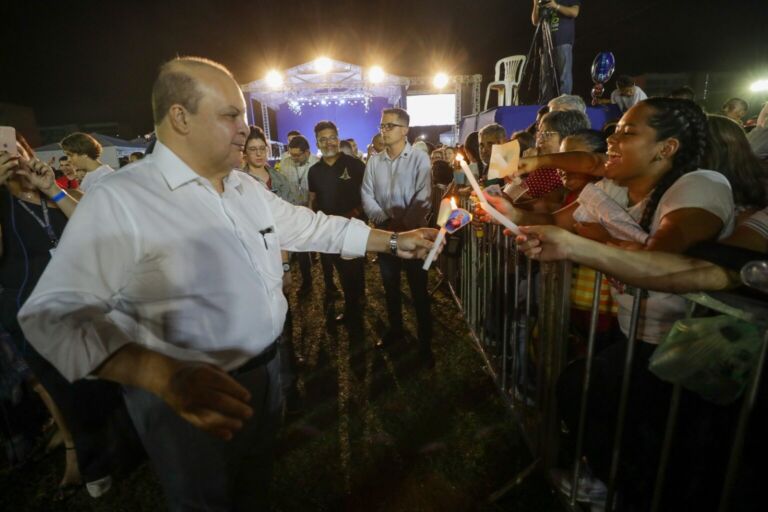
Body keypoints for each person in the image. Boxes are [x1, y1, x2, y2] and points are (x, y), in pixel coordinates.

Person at [18, 56, 440, 511]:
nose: (246, 128)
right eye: (231, 115)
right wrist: (159, 375)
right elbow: (52, 313)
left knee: (253, 488)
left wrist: (394, 242)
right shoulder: (122, 198)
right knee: (207, 500)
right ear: (180, 117)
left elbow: (315, 227)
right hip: (187, 398)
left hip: (266, 375)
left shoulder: (242, 188)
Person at [361, 107, 434, 366]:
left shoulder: (418, 159)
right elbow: (366, 195)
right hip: (385, 234)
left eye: (390, 125)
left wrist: (404, 224)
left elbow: (424, 197)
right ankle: (396, 330)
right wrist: (385, 221)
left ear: (405, 130)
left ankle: (425, 344)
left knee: (418, 290)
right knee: (390, 286)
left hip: (413, 234)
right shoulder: (374, 161)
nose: (384, 130)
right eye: (382, 125)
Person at [308, 120, 367, 341]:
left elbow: (368, 195)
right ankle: (354, 306)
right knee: (341, 271)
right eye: (323, 139)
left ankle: (355, 312)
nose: (329, 142)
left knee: (354, 269)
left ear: (338, 137)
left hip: (354, 227)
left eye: (332, 137)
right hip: (328, 231)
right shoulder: (314, 171)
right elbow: (312, 200)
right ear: (317, 142)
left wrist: (358, 212)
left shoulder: (355, 165)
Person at [280, 134, 320, 295]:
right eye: (292, 154)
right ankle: (307, 281)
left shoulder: (317, 164)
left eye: (297, 155)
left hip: (316, 211)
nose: (294, 158)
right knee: (301, 248)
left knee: (323, 247)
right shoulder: (284, 164)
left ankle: (330, 283)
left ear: (307, 152)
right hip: (294, 212)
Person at [531, 0, 581, 96]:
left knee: (564, 75)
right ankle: (545, 103)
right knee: (546, 76)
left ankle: (564, 102)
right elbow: (535, 21)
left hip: (563, 40)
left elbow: (575, 12)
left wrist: (556, 6)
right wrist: (536, 4)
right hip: (546, 44)